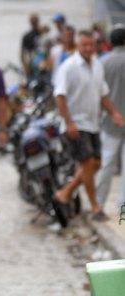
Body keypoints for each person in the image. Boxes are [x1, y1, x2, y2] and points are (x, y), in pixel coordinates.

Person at [53, 30, 125, 221]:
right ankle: (95, 208)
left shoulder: (98, 66)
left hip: (94, 124)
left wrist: (114, 113)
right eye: (84, 45)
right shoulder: (68, 67)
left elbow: (103, 94)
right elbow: (59, 96)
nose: (87, 48)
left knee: (96, 164)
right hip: (76, 124)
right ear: (78, 45)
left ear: (95, 46)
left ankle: (65, 192)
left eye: (90, 45)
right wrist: (68, 123)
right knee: (87, 163)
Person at [95, 26, 125, 214]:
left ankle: (98, 203)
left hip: (110, 121)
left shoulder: (102, 63)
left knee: (107, 163)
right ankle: (123, 207)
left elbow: (96, 93)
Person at [21, 14, 42, 79]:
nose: (34, 23)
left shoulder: (42, 33)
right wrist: (24, 63)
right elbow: (23, 52)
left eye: (35, 22)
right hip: (32, 57)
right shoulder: (27, 36)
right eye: (33, 22)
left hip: (42, 56)